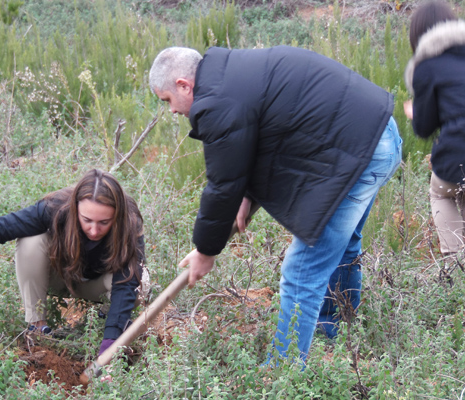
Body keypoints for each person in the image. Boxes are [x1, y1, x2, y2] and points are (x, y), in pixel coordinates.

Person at [149, 46, 402, 361]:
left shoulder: (216, 102)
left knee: (302, 270)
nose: (172, 111)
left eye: (168, 100)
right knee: (343, 245)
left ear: (184, 85)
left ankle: (283, 372)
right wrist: (247, 194)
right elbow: (265, 132)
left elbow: (222, 185)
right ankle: (335, 330)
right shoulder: (231, 75)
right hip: (377, 133)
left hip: (358, 152)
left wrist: (205, 251)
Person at [0, 169, 149, 356]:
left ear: (117, 216)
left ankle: (104, 321)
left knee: (140, 280)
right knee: (30, 241)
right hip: (60, 277)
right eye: (87, 220)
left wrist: (110, 347)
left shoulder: (129, 222)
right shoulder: (56, 207)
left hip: (100, 287)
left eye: (104, 222)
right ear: (75, 207)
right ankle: (37, 328)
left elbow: (126, 282)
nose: (94, 231)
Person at [403, 0, 465, 267]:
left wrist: (416, 111)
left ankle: (456, 264)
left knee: (442, 193)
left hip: (456, 157)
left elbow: (425, 128)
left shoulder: (426, 67)